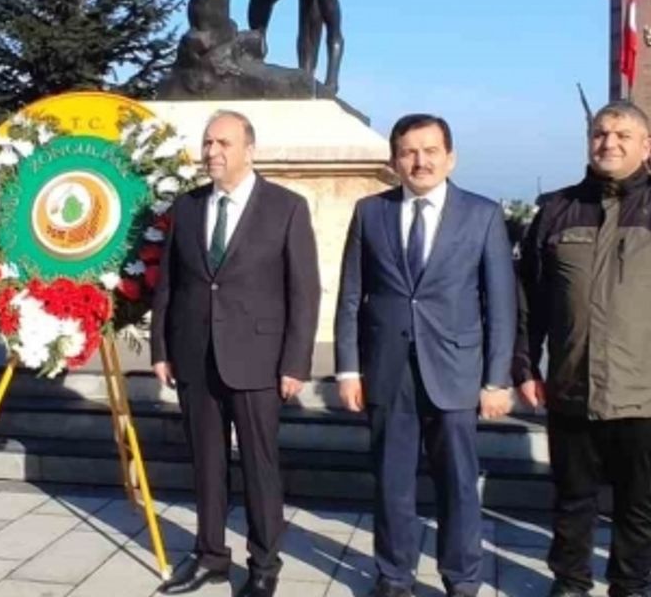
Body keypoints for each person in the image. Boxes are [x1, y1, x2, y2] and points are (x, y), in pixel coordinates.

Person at [335, 114, 516, 597]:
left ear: (450, 157)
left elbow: (500, 304)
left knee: (457, 485)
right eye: (409, 152)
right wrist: (348, 368)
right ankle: (394, 576)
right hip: (388, 371)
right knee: (391, 484)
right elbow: (351, 295)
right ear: (394, 161)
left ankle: (461, 579)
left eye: (430, 150)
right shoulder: (370, 212)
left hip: (456, 371)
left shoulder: (481, 215)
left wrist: (497, 379)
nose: (420, 161)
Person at [151, 110, 320, 597]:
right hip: (195, 356)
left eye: (223, 143)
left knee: (259, 466)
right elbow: (171, 285)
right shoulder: (186, 207)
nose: (212, 152)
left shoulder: (286, 207)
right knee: (206, 463)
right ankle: (210, 557)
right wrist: (162, 347)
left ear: (250, 149)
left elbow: (304, 292)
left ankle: (264, 563)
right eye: (207, 143)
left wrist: (295, 362)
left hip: (260, 361)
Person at [516, 100, 651, 597]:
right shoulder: (557, 209)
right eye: (599, 134)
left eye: (621, 135)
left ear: (646, 146)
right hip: (571, 387)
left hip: (644, 394)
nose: (608, 143)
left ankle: (630, 586)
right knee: (572, 501)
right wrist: (525, 366)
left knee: (639, 505)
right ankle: (570, 583)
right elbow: (527, 298)